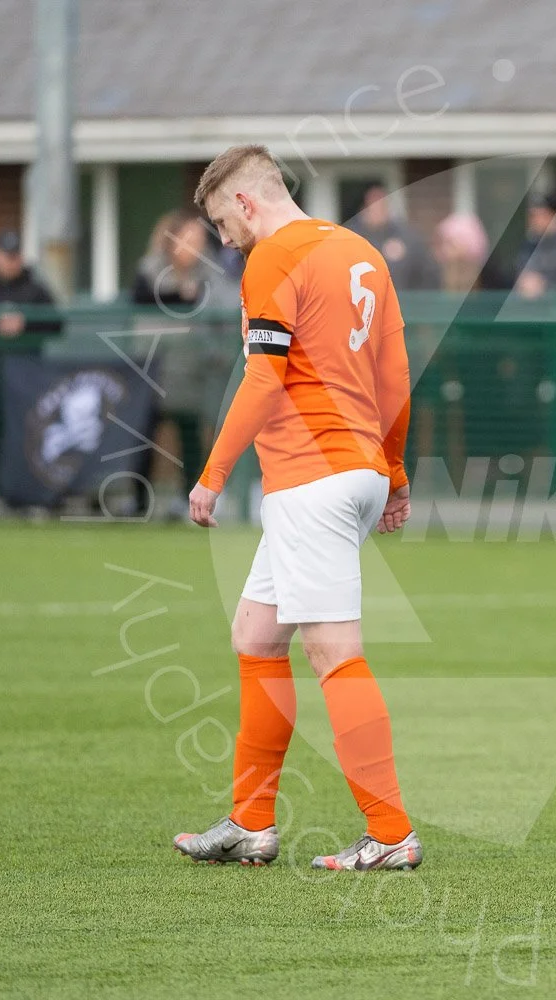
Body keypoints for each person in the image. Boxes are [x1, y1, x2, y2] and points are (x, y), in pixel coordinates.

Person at [174, 144, 419, 871]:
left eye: (223, 221)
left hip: (312, 475)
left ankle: (391, 831)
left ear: (248, 203)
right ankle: (251, 822)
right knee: (256, 634)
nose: (224, 239)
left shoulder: (272, 258)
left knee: (332, 653)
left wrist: (211, 475)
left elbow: (262, 380)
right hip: (354, 469)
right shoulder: (360, 251)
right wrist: (396, 473)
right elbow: (396, 373)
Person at [131, 210, 238, 518]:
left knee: (191, 433)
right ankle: (138, 502)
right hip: (152, 369)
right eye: (187, 238)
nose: (193, 246)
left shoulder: (210, 272)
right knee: (143, 432)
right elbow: (141, 296)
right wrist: (180, 295)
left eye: (198, 239)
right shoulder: (151, 268)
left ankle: (190, 500)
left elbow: (223, 301)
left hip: (193, 369)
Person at [0, 230, 61, 519]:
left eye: (15, 255)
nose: (10, 262)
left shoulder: (35, 291)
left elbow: (56, 325)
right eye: (6, 256)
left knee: (29, 437)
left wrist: (25, 325)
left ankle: (32, 498)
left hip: (27, 382)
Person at [347, 184, 441, 291]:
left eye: (382, 205)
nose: (378, 210)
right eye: (373, 205)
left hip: (404, 301)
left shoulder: (408, 237)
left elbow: (428, 271)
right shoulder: (352, 239)